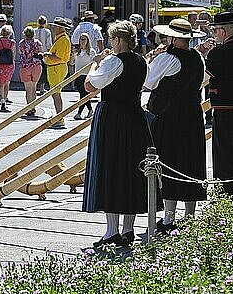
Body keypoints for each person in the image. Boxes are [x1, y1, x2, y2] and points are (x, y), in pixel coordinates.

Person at [82, 20, 151, 247]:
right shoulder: (141, 61)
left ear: (118, 40)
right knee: (131, 169)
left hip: (112, 118)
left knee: (110, 167)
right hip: (134, 117)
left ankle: (112, 231)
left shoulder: (113, 61)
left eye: (112, 39)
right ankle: (128, 229)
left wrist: (95, 63)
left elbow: (90, 86)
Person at [144, 18, 207, 232]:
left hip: (170, 118)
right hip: (192, 115)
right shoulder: (198, 57)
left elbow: (148, 82)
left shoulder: (168, 58)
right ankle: (190, 216)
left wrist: (153, 59)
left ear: (172, 37)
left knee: (170, 160)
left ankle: (169, 219)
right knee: (191, 162)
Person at [199, 11, 233, 195]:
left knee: (224, 152)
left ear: (222, 31)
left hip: (225, 106)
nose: (214, 34)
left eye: (215, 31)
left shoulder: (219, 52)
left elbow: (205, 77)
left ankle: (227, 190)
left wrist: (203, 53)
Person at [41, 17, 72, 128]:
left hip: (57, 68)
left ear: (60, 28)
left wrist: (48, 55)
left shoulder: (63, 39)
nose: (53, 28)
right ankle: (59, 117)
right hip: (55, 68)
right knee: (55, 93)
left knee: (56, 93)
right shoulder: (60, 38)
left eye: (55, 26)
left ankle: (60, 118)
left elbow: (60, 58)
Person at [18, 26, 43, 116]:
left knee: (28, 89)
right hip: (36, 66)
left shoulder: (22, 43)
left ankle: (29, 108)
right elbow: (41, 53)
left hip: (25, 66)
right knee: (34, 87)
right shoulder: (37, 43)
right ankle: (33, 107)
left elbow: (20, 53)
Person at [72, 33, 96, 120]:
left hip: (86, 75)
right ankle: (90, 110)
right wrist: (72, 54)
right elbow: (72, 63)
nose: (82, 41)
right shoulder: (77, 51)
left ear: (88, 41)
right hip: (78, 75)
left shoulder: (91, 51)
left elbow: (94, 63)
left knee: (83, 94)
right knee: (82, 94)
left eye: (84, 39)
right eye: (81, 39)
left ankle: (79, 112)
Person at [0, 25, 16, 111]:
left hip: (0, 64)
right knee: (7, 82)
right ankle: (5, 99)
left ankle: (2, 99)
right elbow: (14, 54)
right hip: (10, 65)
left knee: (0, 83)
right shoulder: (12, 42)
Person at [34, 15, 53, 95]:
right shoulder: (47, 32)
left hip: (35, 53)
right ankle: (42, 88)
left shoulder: (34, 31)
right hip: (44, 53)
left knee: (35, 71)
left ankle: (34, 87)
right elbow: (49, 44)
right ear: (45, 23)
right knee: (44, 71)